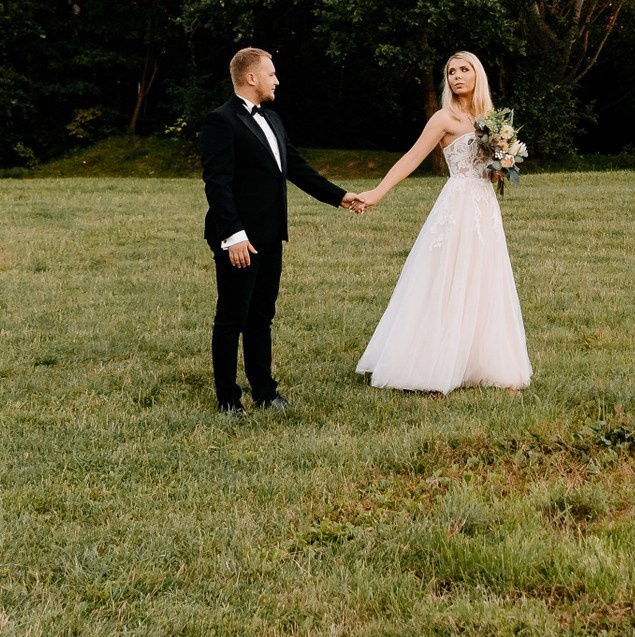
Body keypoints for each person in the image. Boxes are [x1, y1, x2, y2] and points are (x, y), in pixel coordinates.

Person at [347, 50, 531, 394]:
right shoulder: (443, 119)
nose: (457, 76)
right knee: (446, 277)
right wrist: (378, 191)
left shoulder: (490, 121)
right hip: (457, 204)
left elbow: (491, 172)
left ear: (477, 75)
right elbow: (412, 158)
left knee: (484, 278)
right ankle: (430, 364)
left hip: (485, 208)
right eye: (451, 72)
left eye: (464, 70)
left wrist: (500, 166)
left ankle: (486, 365)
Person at [199, 48, 352, 416]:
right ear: (251, 78)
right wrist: (233, 235)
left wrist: (341, 197)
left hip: (270, 235)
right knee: (231, 317)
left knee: (261, 316)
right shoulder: (221, 121)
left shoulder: (273, 119)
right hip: (240, 239)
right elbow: (217, 182)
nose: (277, 80)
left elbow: (296, 168)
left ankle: (265, 392)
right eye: (271, 74)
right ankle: (227, 399)